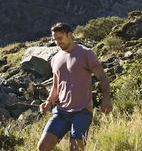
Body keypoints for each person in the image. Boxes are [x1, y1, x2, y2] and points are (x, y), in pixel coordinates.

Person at [37, 22, 113, 151]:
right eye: (55, 39)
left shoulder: (86, 53)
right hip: (61, 112)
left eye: (60, 38)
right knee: (42, 147)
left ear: (70, 35)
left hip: (82, 111)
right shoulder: (55, 59)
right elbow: (56, 86)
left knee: (76, 149)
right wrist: (48, 102)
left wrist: (106, 98)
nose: (57, 42)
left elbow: (103, 77)